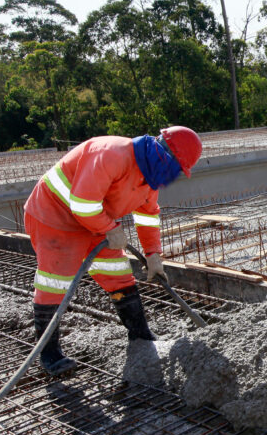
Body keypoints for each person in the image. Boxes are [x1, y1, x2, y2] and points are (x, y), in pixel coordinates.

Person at [24, 127, 203, 376]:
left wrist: (153, 254)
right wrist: (110, 228)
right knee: (55, 283)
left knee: (118, 275)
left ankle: (141, 337)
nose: (173, 176)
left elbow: (148, 215)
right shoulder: (111, 154)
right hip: (56, 217)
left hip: (96, 221)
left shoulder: (149, 175)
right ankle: (49, 354)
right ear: (163, 155)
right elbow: (82, 204)